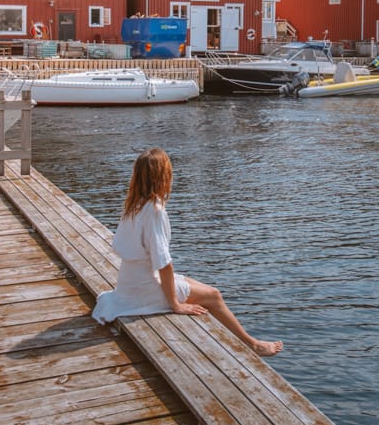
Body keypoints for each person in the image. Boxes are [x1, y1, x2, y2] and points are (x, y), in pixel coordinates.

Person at [92, 147, 283, 357]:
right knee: (214, 296)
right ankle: (252, 344)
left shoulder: (133, 204)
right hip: (143, 290)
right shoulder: (154, 211)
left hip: (128, 282)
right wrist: (175, 304)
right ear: (164, 177)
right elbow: (163, 263)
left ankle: (229, 341)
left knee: (197, 285)